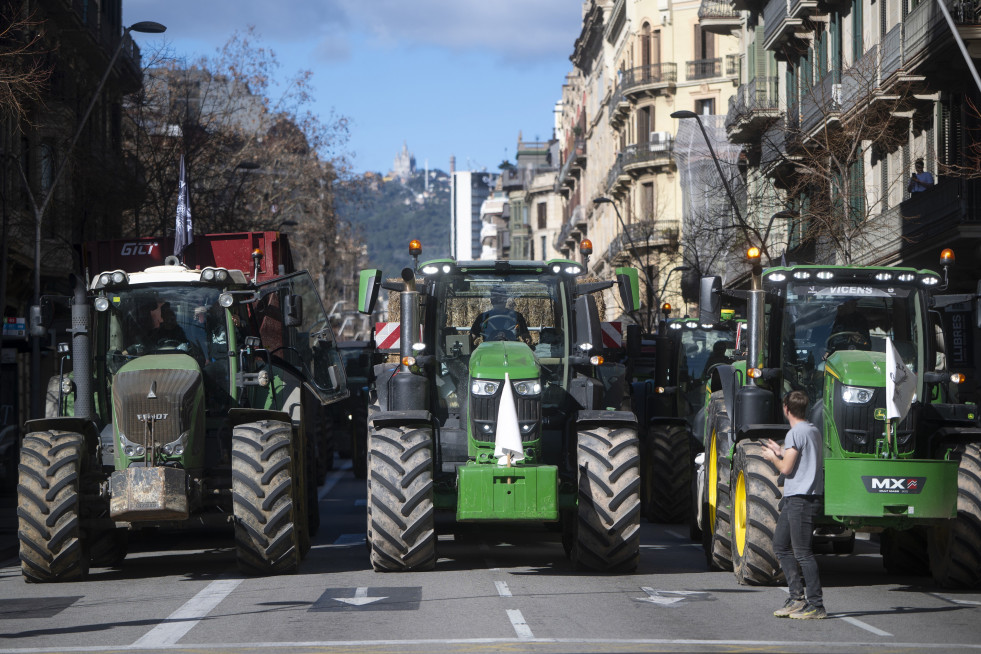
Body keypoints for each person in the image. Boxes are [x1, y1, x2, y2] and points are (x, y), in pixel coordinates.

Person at [761, 390, 826, 620]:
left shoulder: (794, 433)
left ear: (786, 408)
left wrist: (772, 458)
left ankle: (816, 605)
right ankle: (796, 598)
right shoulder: (812, 430)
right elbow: (801, 458)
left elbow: (786, 469)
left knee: (803, 553)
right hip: (798, 497)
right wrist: (781, 451)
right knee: (780, 545)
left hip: (801, 498)